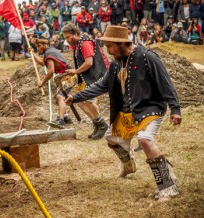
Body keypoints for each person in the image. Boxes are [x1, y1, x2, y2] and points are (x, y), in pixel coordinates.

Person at [65, 25, 181, 201]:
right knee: (111, 139)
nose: (108, 51)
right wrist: (76, 97)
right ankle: (129, 165)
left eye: (110, 46)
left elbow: (166, 84)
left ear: (120, 43)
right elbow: (101, 86)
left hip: (150, 109)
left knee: (145, 140)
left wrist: (175, 109)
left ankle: (168, 186)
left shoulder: (148, 57)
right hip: (128, 113)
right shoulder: (115, 64)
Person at [61, 23, 109, 140]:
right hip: (86, 76)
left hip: (95, 76)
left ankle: (101, 124)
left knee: (88, 100)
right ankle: (97, 123)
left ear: (76, 33)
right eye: (66, 38)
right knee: (79, 101)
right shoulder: (78, 44)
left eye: (68, 37)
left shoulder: (85, 43)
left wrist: (76, 71)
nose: (67, 40)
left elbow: (89, 63)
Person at [28, 38, 73, 129]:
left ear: (45, 45)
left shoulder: (49, 53)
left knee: (60, 96)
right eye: (37, 47)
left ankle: (60, 120)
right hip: (63, 76)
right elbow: (42, 62)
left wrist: (42, 82)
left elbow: (51, 71)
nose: (38, 48)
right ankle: (65, 116)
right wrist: (32, 53)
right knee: (58, 96)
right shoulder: (50, 51)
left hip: (69, 76)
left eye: (39, 46)